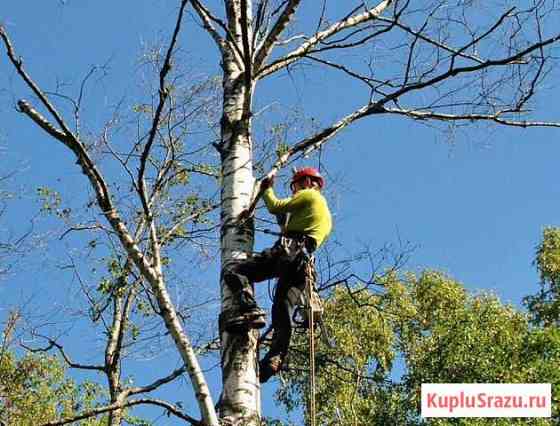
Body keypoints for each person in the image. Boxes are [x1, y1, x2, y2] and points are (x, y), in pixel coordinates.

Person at [223, 167, 332, 383]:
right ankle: (276, 357)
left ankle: (250, 309)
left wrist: (266, 190)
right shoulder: (322, 213)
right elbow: (287, 221)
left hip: (289, 250)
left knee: (235, 271)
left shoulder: (309, 195)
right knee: (282, 309)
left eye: (297, 185)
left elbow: (275, 206)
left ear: (309, 182)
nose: (295, 190)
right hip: (302, 264)